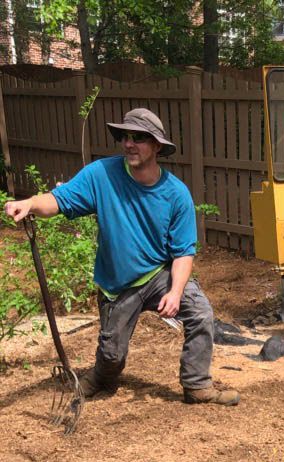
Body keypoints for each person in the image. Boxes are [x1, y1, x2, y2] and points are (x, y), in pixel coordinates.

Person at [4, 108, 239, 406]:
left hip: (158, 274)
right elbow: (59, 200)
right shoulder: (102, 174)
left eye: (139, 138)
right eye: (126, 136)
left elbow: (183, 253)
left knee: (200, 312)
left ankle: (197, 385)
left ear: (156, 146)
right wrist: (30, 204)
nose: (129, 143)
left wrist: (176, 292)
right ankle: (102, 377)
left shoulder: (176, 194)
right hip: (117, 285)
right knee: (113, 356)